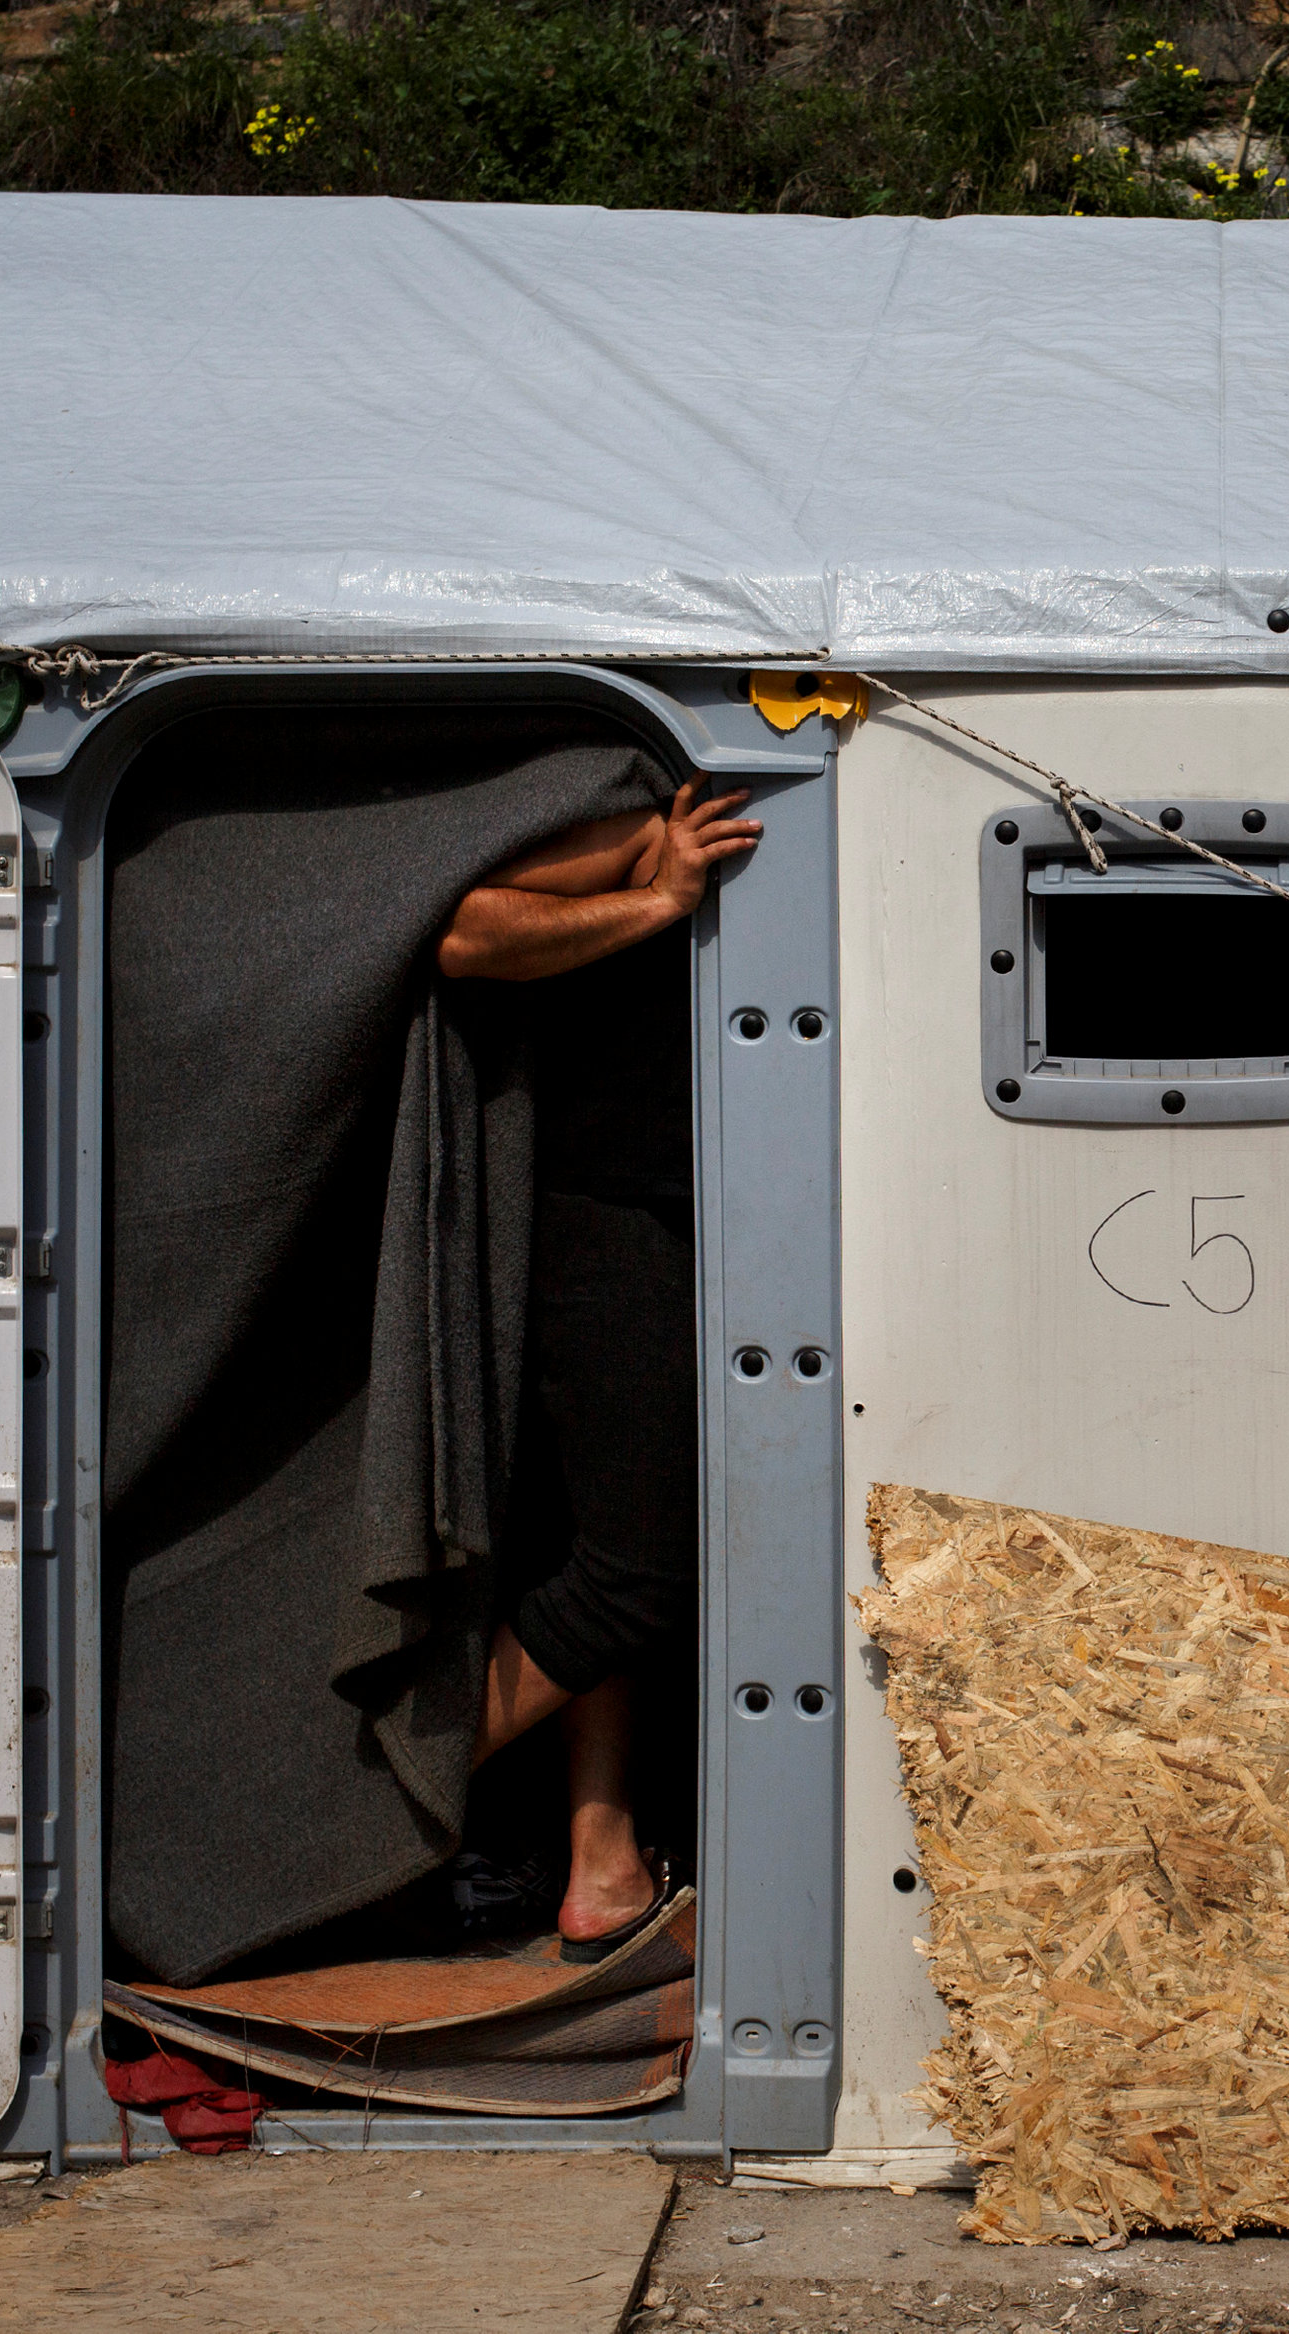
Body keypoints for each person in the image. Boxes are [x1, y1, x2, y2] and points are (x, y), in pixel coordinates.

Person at [436, 772, 760, 1954]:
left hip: (726, 1209)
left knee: (607, 1553)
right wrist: (657, 894)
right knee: (635, 1573)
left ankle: (603, 1863)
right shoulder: (643, 800)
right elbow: (469, 930)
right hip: (620, 1212)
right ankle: (349, 1821)